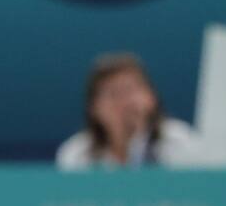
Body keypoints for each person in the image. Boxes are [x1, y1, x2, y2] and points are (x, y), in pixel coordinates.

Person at [56, 52, 199, 170]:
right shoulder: (76, 154)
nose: (124, 102)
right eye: (113, 94)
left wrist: (139, 141)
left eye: (130, 90)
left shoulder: (180, 142)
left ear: (152, 98)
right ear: (93, 108)